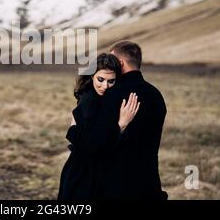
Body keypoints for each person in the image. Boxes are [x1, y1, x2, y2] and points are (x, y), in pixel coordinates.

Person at [57, 53, 140, 200]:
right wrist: (121, 124)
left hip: (93, 173)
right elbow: (92, 145)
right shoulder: (89, 100)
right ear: (92, 76)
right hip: (82, 175)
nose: (105, 86)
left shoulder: (106, 99)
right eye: (100, 79)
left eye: (111, 81)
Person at [96, 40, 168, 200]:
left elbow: (99, 142)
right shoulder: (156, 95)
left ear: (120, 63)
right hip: (149, 184)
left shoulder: (111, 94)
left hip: (114, 187)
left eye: (111, 60)